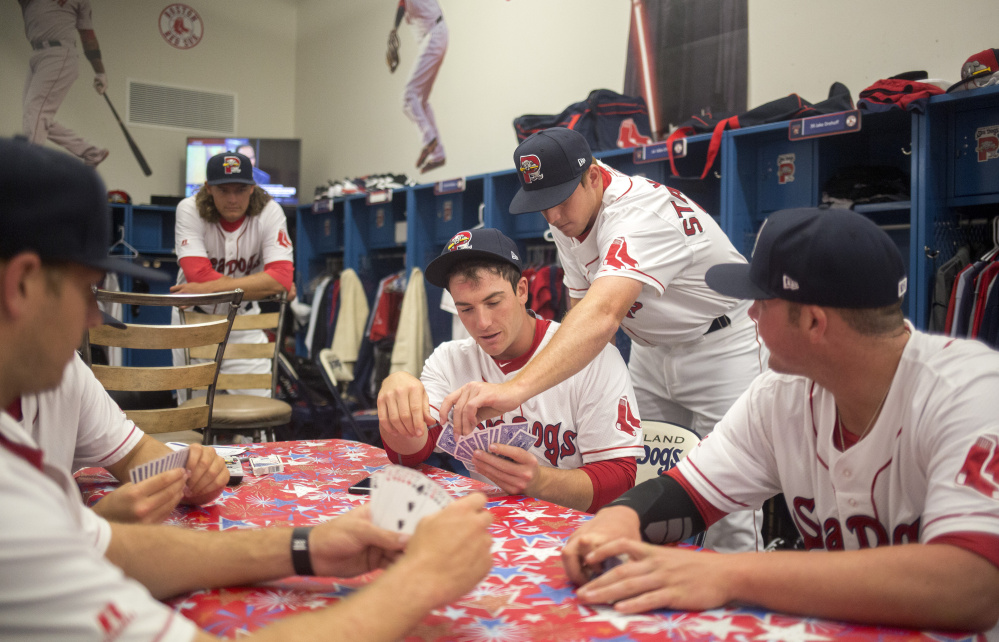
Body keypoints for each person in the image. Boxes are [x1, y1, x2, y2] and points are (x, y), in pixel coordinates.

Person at [0, 135, 494, 641]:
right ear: (21, 286)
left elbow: (101, 543)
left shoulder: (62, 380)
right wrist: (422, 581)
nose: (92, 316)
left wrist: (307, 546)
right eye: (87, 290)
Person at [561, 207, 999, 636]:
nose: (748, 314)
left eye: (761, 302)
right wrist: (618, 519)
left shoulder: (971, 391)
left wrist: (728, 574)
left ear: (813, 322)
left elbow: (975, 585)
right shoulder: (781, 395)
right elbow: (685, 494)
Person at [441, 127, 768, 552]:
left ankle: (736, 610)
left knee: (728, 501)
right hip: (650, 350)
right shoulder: (570, 214)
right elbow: (580, 311)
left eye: (560, 200)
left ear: (593, 177)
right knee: (641, 480)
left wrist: (513, 390)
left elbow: (602, 317)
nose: (554, 217)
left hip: (723, 345)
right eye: (542, 206)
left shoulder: (638, 216)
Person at [377, 228, 645, 513]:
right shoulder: (449, 359)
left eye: (493, 302)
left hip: (578, 533)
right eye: (465, 309)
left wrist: (540, 482)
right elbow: (409, 454)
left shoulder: (592, 355)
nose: (482, 322)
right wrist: (397, 401)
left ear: (521, 291)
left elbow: (621, 480)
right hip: (493, 528)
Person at [10, 351, 230, 524]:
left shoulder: (67, 366)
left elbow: (133, 452)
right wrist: (96, 525)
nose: (94, 323)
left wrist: (189, 474)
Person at [171, 150, 295, 398]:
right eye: (223, 190)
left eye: (239, 189)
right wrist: (263, 284)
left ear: (252, 188)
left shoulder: (270, 212)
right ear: (208, 188)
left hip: (245, 321)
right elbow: (197, 274)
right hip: (194, 322)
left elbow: (281, 277)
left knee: (256, 413)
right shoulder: (189, 209)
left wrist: (209, 288)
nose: (232, 198)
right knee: (192, 416)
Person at [18, 0, 109, 166]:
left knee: (35, 113)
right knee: (35, 116)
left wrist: (100, 71)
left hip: (60, 53)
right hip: (37, 55)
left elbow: (87, 36)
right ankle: (91, 151)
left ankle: (30, 172)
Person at [386, 0, 448, 174]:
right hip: (437, 35)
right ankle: (438, 154)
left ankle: (429, 140)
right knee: (420, 101)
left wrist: (395, 28)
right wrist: (395, 28)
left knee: (408, 98)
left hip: (434, 36)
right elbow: (401, 5)